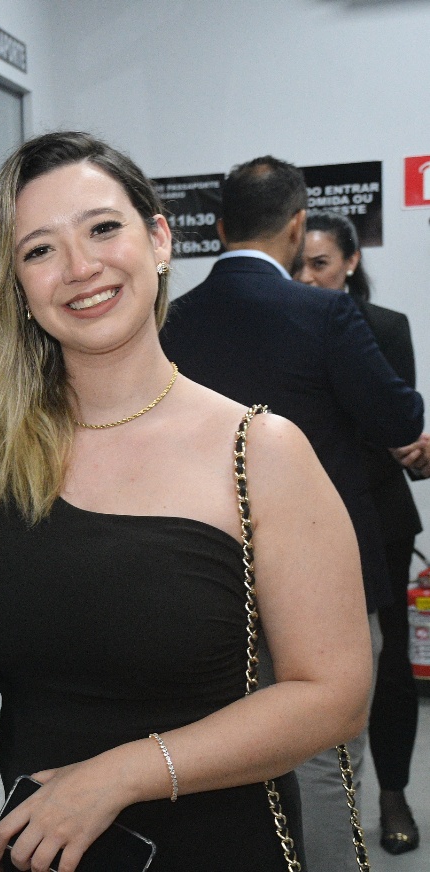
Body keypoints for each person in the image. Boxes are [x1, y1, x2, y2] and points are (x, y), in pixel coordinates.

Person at [0, 131, 372, 872]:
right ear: (15, 284)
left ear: (160, 240)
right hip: (28, 851)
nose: (80, 268)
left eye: (102, 228)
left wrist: (119, 775)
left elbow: (334, 694)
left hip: (214, 844)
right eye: (40, 250)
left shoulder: (260, 451)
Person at [161, 156, 426, 872]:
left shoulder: (171, 321)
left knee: (221, 759)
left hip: (209, 575)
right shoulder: (325, 313)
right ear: (298, 224)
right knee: (325, 762)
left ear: (219, 228)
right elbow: (400, 417)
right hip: (323, 576)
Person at [296, 209, 423, 856]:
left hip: (377, 514)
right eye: (299, 265)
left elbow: (391, 423)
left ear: (350, 263)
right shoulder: (284, 324)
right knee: (303, 666)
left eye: (321, 264)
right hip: (299, 517)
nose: (308, 277)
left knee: (388, 663)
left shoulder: (384, 327)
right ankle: (316, 801)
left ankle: (393, 793)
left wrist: (412, 450)